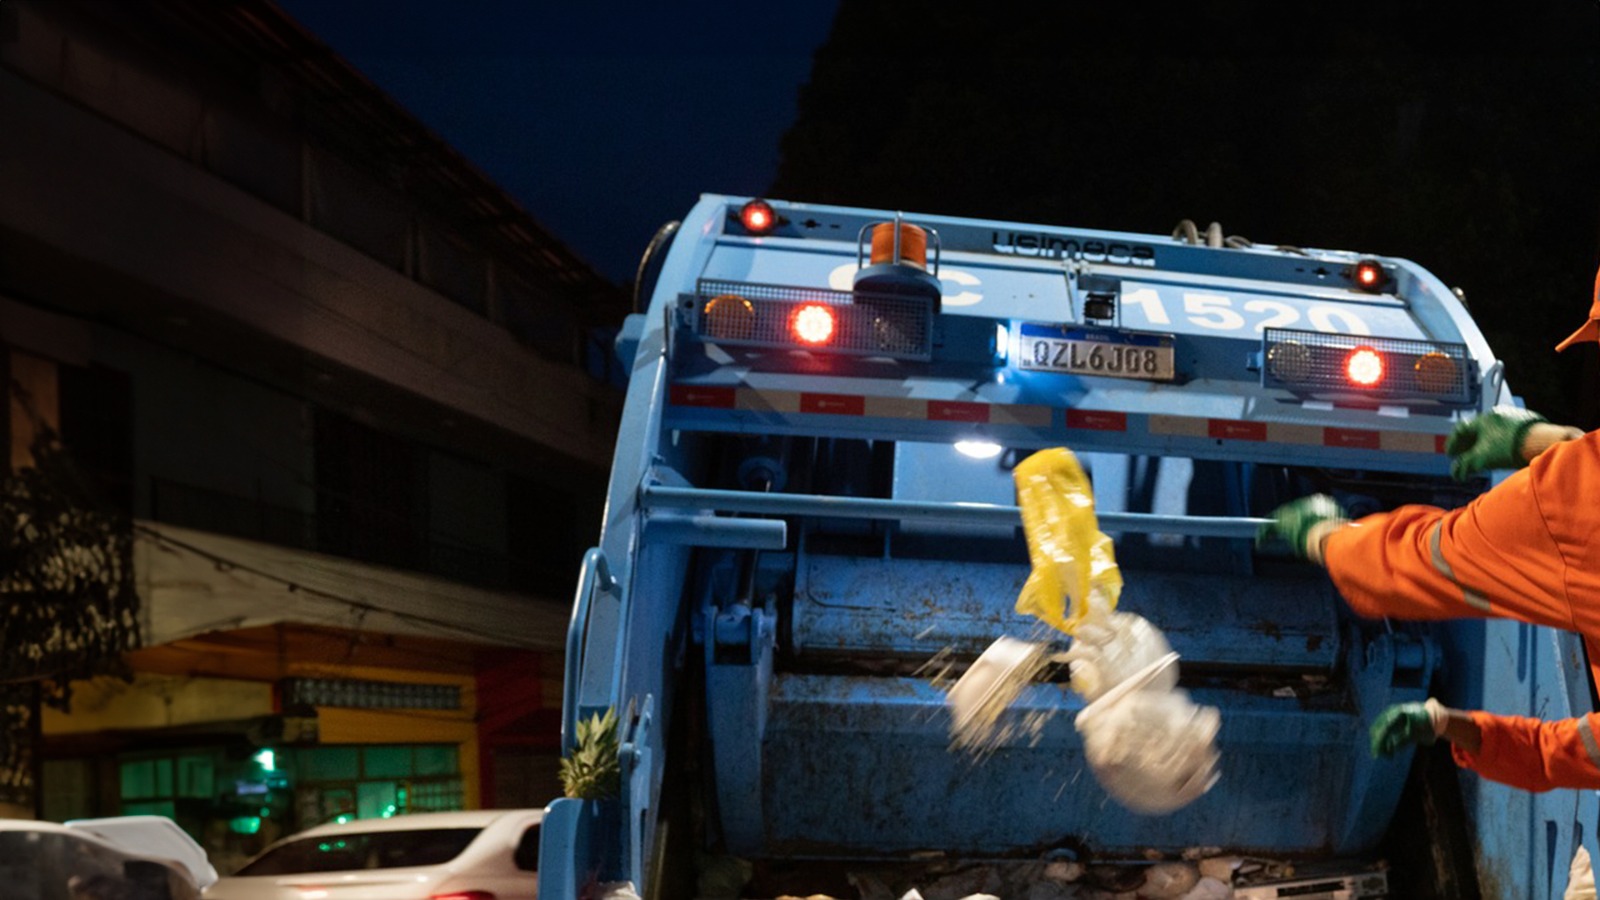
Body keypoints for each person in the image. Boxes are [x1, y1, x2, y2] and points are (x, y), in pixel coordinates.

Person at [1260, 275, 1600, 790]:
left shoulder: (1567, 500)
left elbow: (1420, 564)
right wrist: (1455, 726)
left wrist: (1323, 536)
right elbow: (1578, 752)